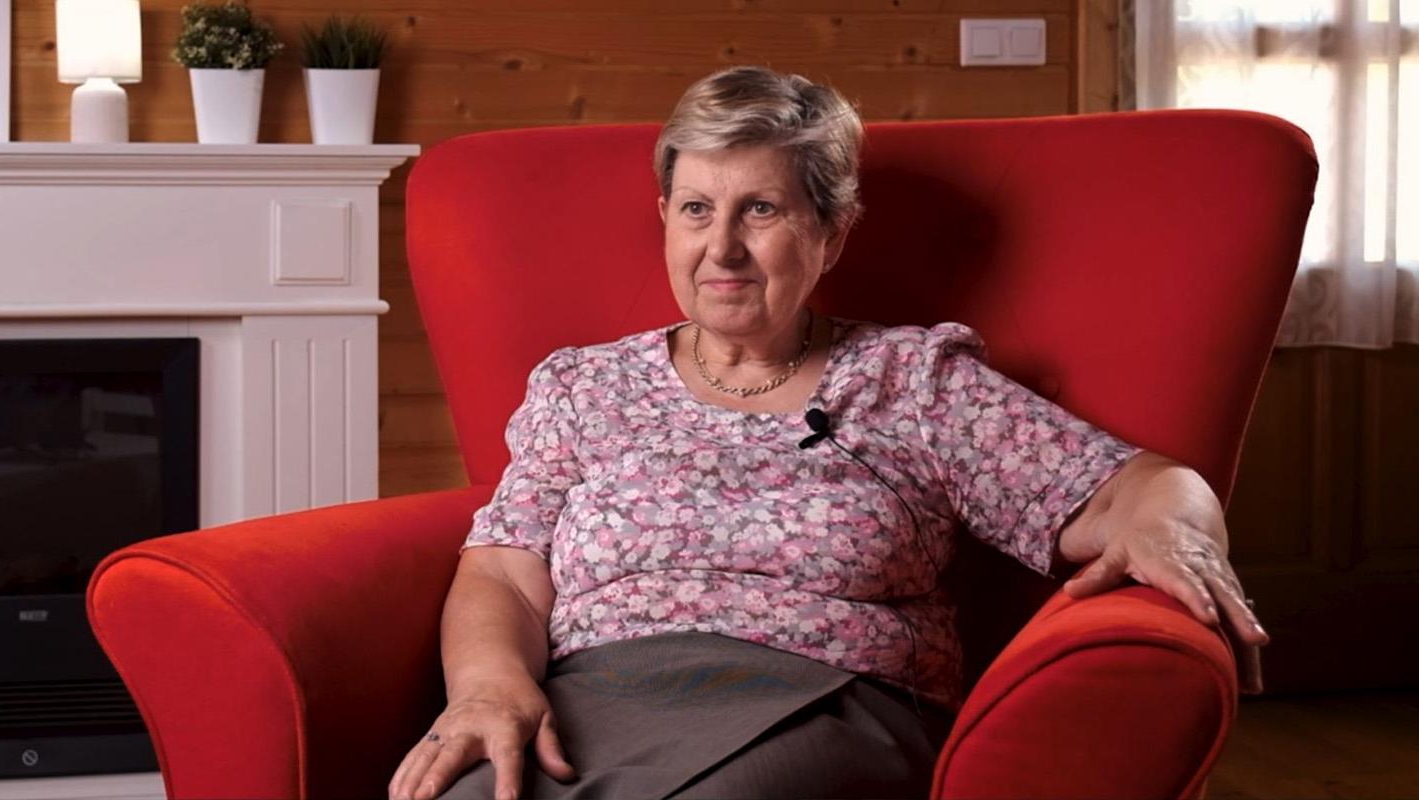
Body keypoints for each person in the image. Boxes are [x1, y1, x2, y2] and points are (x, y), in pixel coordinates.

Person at [388, 66, 1270, 800]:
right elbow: (503, 569)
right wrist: (490, 689)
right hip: (596, 696)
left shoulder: (912, 383)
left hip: (829, 703)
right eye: (696, 209)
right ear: (664, 216)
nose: (722, 248)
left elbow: (1139, 487)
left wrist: (1173, 524)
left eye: (760, 210)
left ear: (832, 233)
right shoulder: (583, 386)